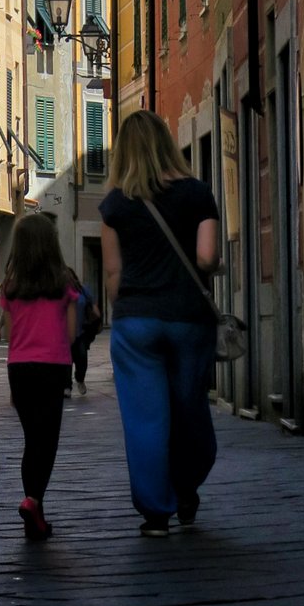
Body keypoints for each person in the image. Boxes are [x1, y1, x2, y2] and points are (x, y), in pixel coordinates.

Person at [100, 109, 221, 536]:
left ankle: (156, 513)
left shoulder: (114, 204)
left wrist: (133, 303)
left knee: (145, 418)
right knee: (190, 409)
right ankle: (187, 488)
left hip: (136, 323)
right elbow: (207, 258)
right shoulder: (197, 194)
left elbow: (113, 277)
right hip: (189, 318)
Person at [0, 213, 79, 541]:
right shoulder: (64, 284)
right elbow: (72, 333)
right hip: (53, 366)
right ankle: (33, 501)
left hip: (19, 368)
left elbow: (9, 335)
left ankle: (35, 506)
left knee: (32, 439)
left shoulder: (11, 287)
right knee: (48, 441)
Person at [66, 275, 102, 396]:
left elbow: (92, 303)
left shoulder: (81, 289)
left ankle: (80, 378)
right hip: (64, 333)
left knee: (82, 357)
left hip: (81, 330)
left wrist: (97, 318)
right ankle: (67, 387)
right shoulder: (59, 292)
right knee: (66, 360)